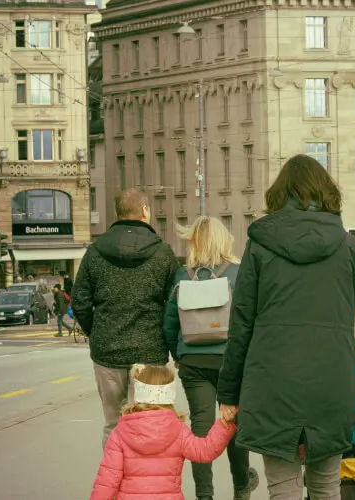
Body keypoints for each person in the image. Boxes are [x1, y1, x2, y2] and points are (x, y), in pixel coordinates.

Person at [216, 154, 355, 499]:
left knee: (283, 488)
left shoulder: (260, 246)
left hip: (271, 382)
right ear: (326, 193)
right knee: (325, 486)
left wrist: (229, 393)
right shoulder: (350, 248)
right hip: (329, 381)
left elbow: (241, 322)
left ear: (280, 194)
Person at [72, 189, 180, 447]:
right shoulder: (163, 253)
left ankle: (116, 482)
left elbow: (80, 301)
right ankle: (144, 485)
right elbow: (175, 305)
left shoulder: (95, 252)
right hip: (150, 355)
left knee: (113, 424)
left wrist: (96, 332)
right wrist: (169, 344)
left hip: (107, 353)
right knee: (149, 426)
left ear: (118, 213)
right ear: (144, 211)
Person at [163, 216, 259, 500]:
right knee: (231, 423)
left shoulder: (184, 276)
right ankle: (241, 486)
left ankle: (204, 495)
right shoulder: (239, 273)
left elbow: (170, 323)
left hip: (193, 362)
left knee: (201, 431)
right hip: (230, 360)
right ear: (223, 240)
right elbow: (249, 319)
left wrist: (178, 354)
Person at [90, 365, 235, 500]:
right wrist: (225, 424)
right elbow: (205, 451)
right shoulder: (178, 430)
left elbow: (107, 480)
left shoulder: (120, 432)